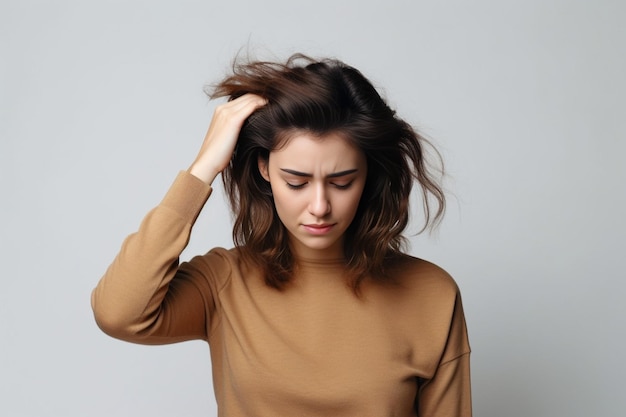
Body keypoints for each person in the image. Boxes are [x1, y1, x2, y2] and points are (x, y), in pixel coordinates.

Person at [91, 53, 472, 416]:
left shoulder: (432, 295)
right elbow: (119, 313)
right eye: (297, 182)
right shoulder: (225, 282)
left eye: (342, 182)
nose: (320, 206)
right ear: (265, 169)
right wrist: (203, 167)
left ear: (368, 176)